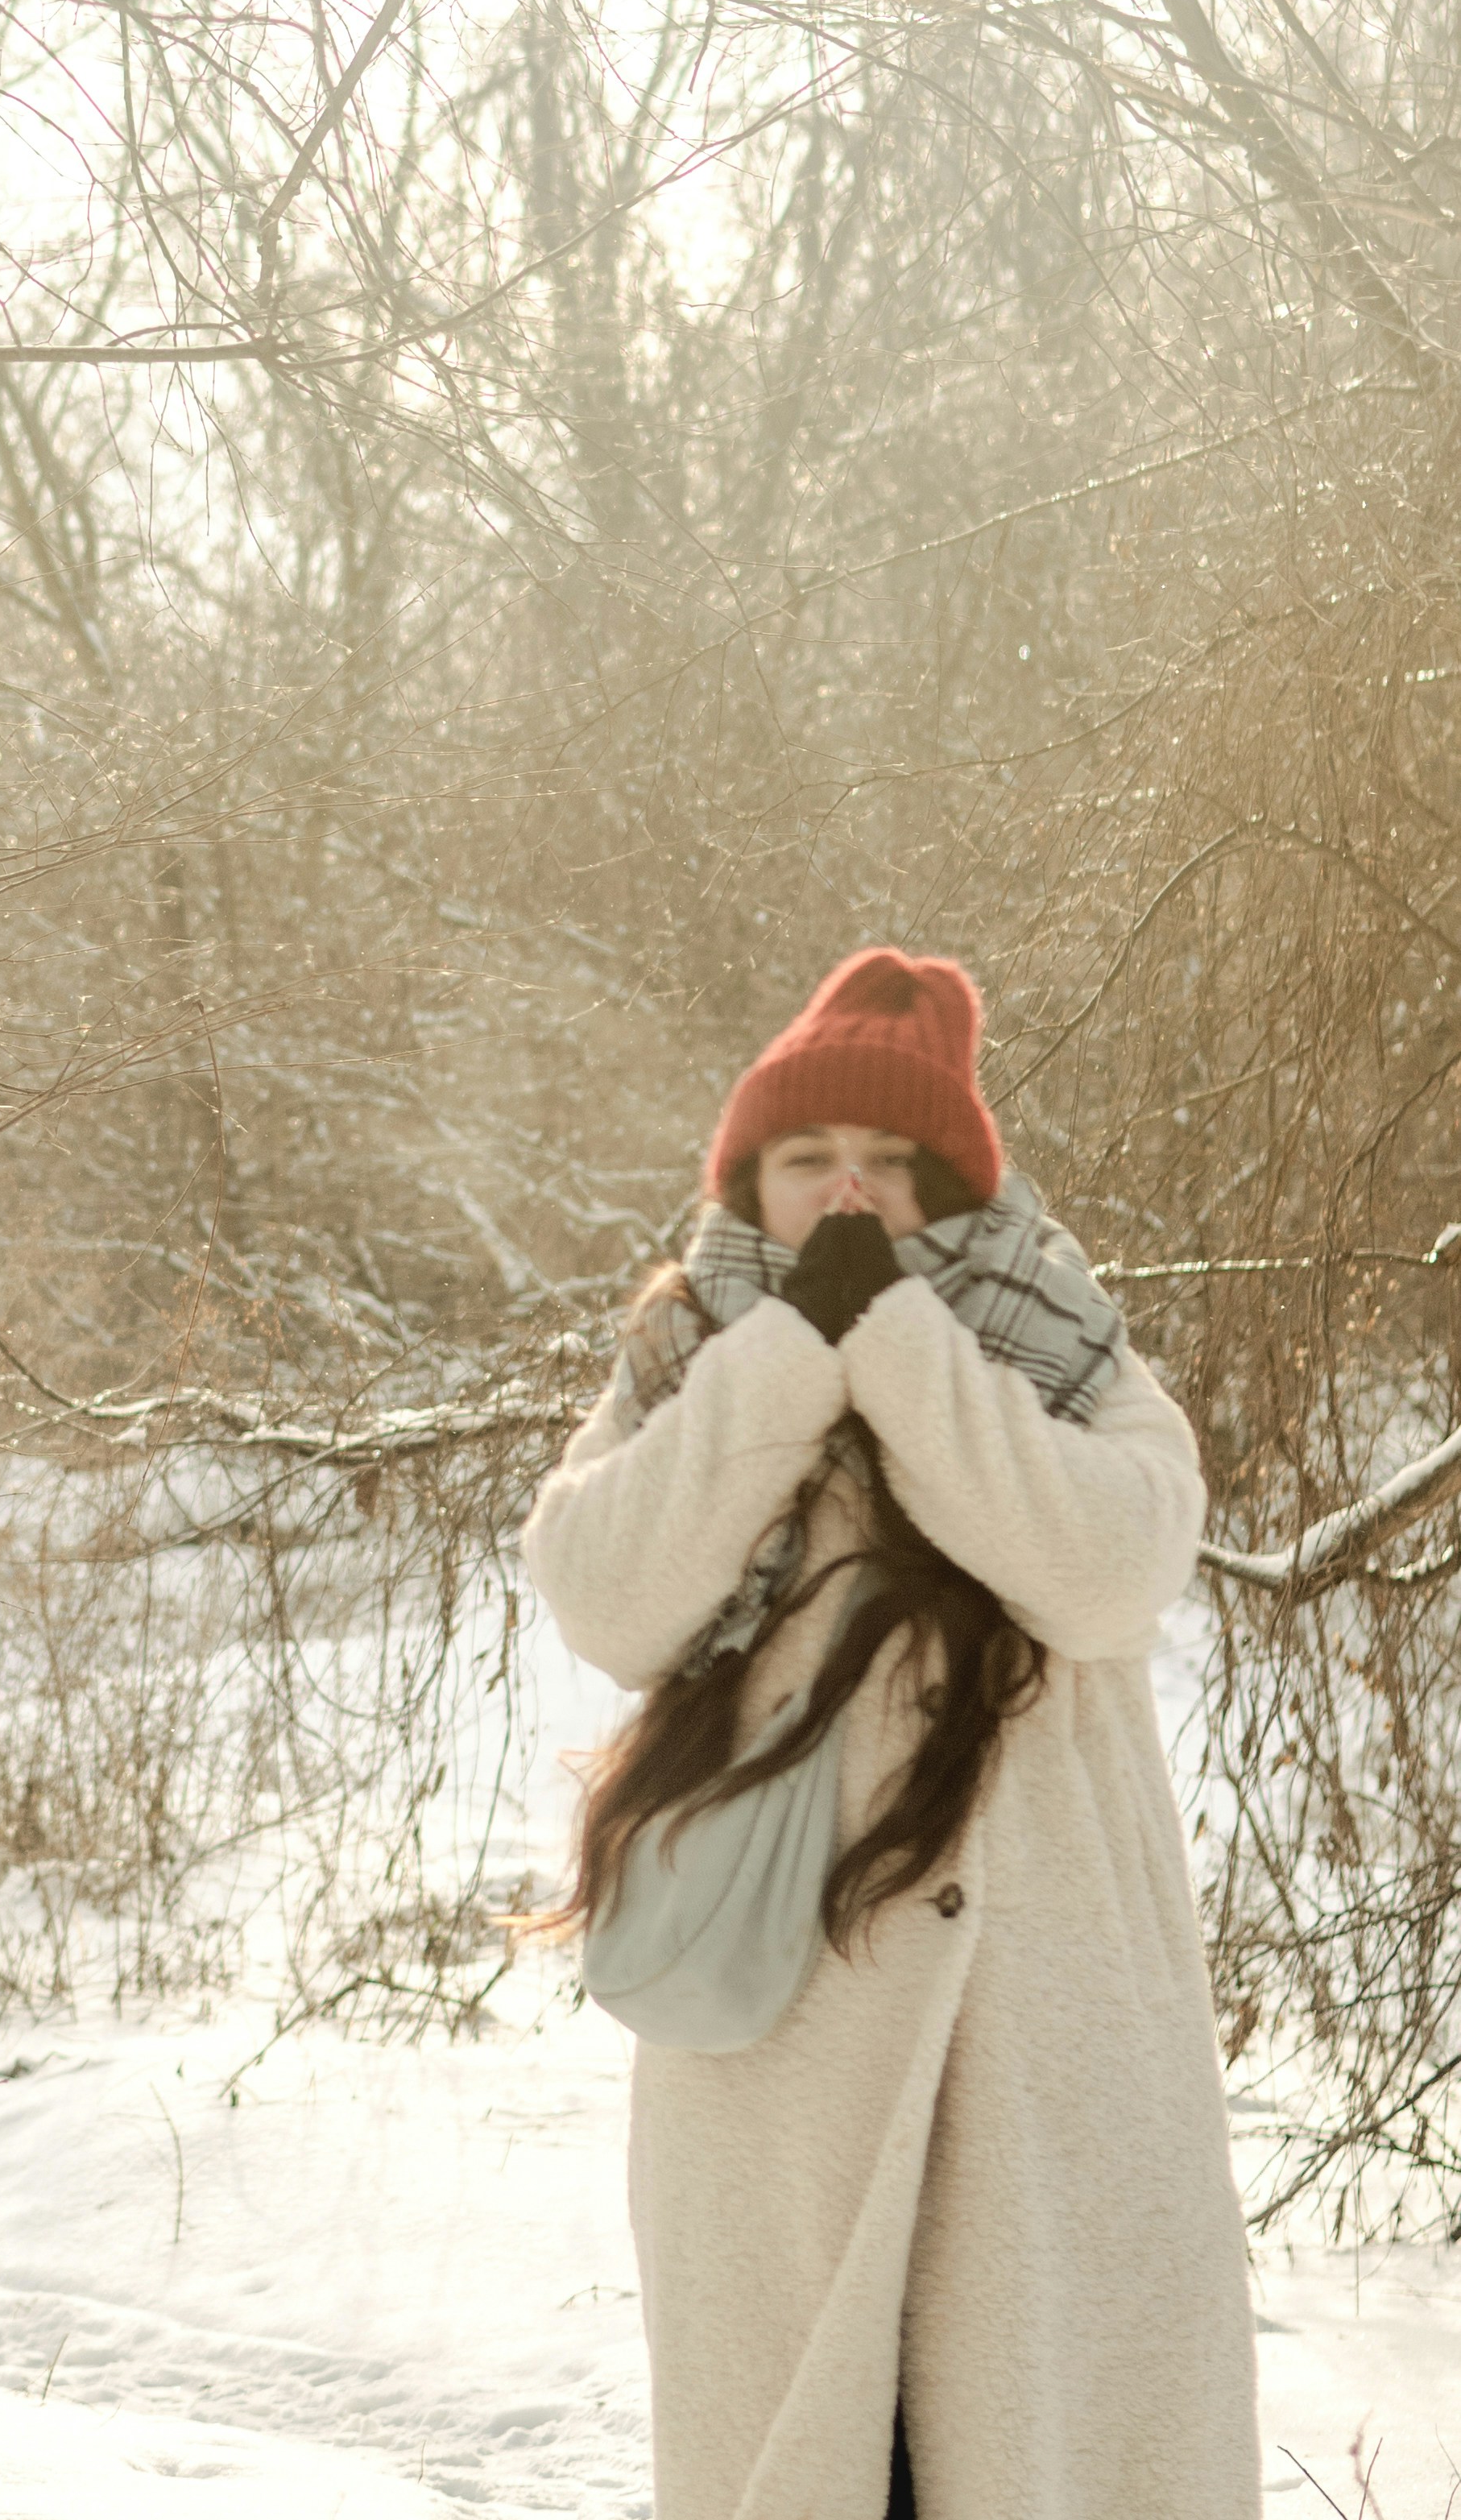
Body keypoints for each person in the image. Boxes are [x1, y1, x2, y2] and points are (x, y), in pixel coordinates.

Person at [521, 947, 1261, 2520]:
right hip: (780, 2051)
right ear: (751, 1180)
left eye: (889, 1167)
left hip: (1046, 2050)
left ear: (954, 1189)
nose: (848, 1197)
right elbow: (608, 1594)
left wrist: (909, 1359)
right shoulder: (685, 1358)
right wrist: (787, 1363)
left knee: (1043, 2451)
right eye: (808, 1163)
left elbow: (1107, 1571)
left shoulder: (1068, 1356)